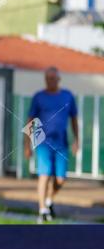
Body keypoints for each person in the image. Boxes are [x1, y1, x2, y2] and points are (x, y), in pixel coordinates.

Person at [23, 66, 78, 224]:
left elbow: (74, 119)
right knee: (44, 175)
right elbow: (30, 120)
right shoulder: (38, 97)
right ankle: (42, 211)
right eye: (47, 79)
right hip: (43, 143)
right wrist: (28, 145)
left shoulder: (67, 97)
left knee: (60, 179)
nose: (50, 81)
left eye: (53, 79)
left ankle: (48, 201)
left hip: (61, 143)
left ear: (58, 79)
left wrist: (77, 139)